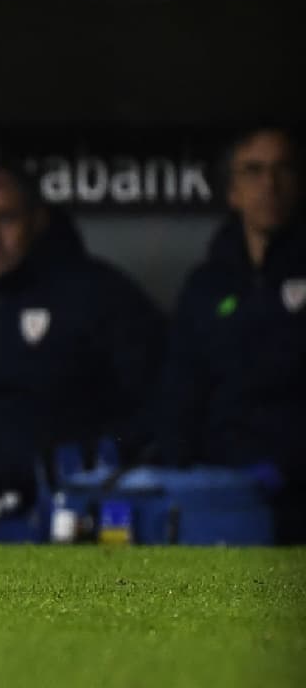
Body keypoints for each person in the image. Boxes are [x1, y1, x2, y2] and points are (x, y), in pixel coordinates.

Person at [0, 159, 165, 540]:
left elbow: (152, 399)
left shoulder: (98, 293)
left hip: (75, 508)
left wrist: (91, 463)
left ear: (37, 220)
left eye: (5, 219)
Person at [158, 127, 305, 543]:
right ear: (233, 192)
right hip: (217, 492)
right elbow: (180, 389)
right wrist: (183, 471)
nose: (269, 184)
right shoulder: (206, 285)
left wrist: (289, 467)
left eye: (283, 170)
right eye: (253, 172)